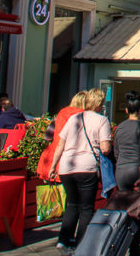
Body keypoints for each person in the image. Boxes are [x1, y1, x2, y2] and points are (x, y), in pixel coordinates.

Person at [47, 88, 112, 252]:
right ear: (99, 104)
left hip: (66, 167)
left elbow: (60, 143)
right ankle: (81, 243)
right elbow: (105, 148)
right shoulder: (102, 120)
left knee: (72, 204)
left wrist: (53, 166)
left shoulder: (74, 118)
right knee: (86, 208)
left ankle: (63, 240)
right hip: (86, 167)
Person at [112, 90, 140, 256]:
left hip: (121, 171)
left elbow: (116, 152)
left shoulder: (119, 128)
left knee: (124, 209)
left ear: (127, 110)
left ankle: (120, 243)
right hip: (137, 171)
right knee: (139, 211)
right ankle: (134, 249)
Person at [36, 91, 87, 179]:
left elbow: (48, 136)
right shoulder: (86, 117)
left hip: (53, 159)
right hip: (75, 162)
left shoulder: (61, 114)